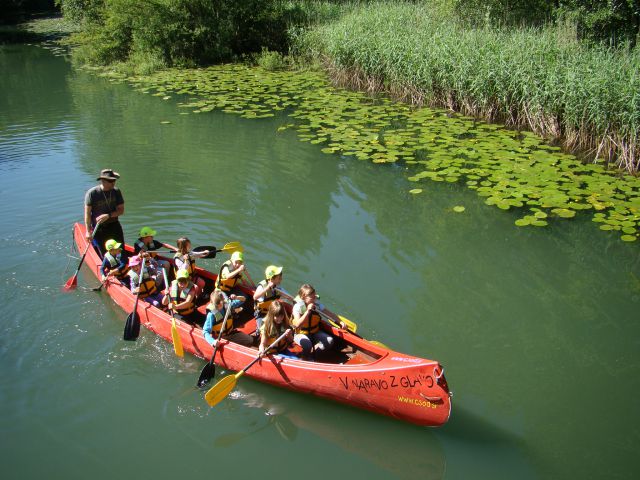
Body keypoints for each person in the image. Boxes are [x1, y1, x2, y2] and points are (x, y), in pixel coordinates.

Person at [291, 284, 345, 359]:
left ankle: (312, 355)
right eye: (311, 297)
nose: (314, 300)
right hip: (300, 333)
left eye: (314, 297)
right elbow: (297, 325)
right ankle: (304, 359)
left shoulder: (317, 304)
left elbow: (329, 313)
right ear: (303, 297)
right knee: (307, 345)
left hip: (314, 332)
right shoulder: (297, 307)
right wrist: (308, 311)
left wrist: (340, 322)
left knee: (329, 340)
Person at [84, 169, 125, 256]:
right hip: (99, 227)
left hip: (114, 224)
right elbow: (87, 214)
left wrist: (108, 215)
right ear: (103, 181)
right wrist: (88, 231)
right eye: (110, 181)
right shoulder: (92, 193)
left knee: (121, 249)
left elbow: (121, 210)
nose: (113, 183)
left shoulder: (116, 191)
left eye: (114, 180)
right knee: (104, 253)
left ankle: (123, 265)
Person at [253, 265, 285, 334]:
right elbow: (255, 297)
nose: (281, 279)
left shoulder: (277, 287)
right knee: (261, 330)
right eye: (279, 278)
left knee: (279, 327)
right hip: (261, 313)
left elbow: (286, 295)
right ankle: (258, 332)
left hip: (272, 313)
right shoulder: (262, 286)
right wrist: (267, 288)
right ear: (271, 279)